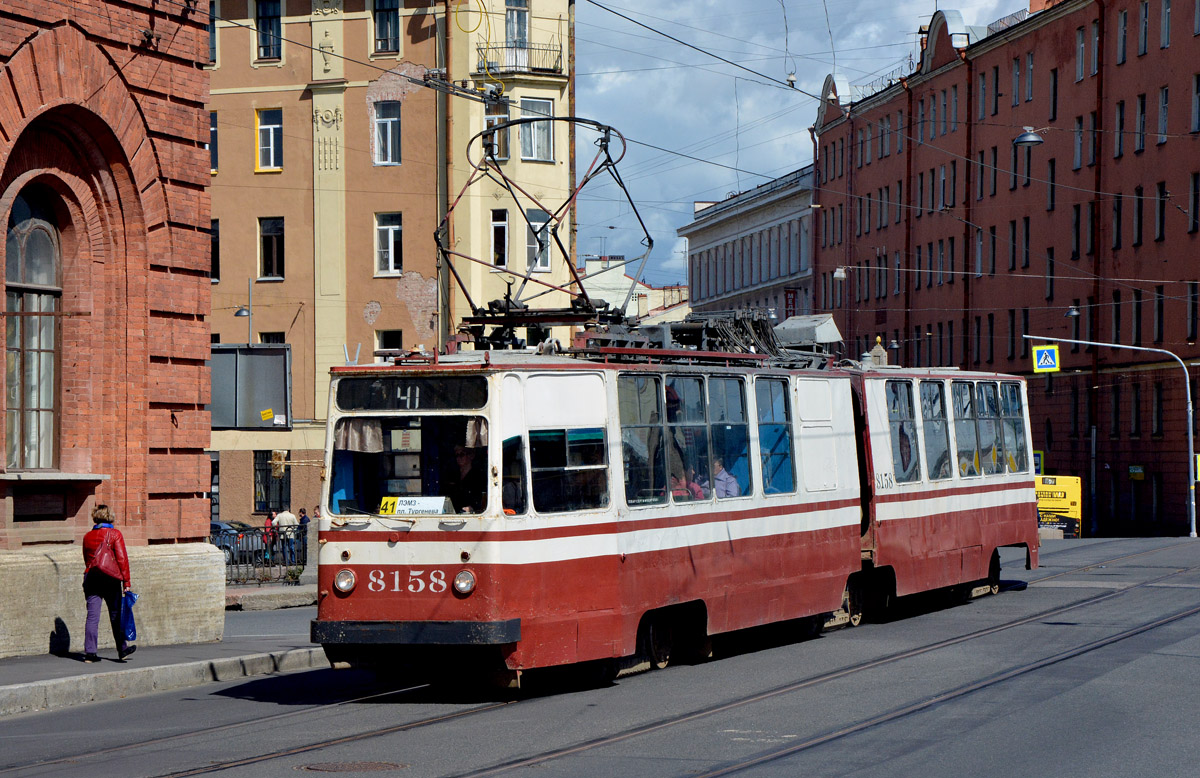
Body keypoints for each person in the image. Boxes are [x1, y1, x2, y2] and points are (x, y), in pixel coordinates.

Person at [81, 504, 134, 663]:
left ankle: (90, 654)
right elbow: (122, 559)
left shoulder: (87, 536)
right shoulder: (115, 534)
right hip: (111, 579)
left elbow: (86, 559)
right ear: (110, 517)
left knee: (92, 617)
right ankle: (122, 649)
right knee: (116, 615)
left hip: (92, 578)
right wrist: (126, 581)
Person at [444, 444, 486, 513]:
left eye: (462, 454)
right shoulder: (453, 475)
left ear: (471, 456)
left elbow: (481, 498)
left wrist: (472, 507)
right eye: (457, 455)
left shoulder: (478, 476)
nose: (459, 458)